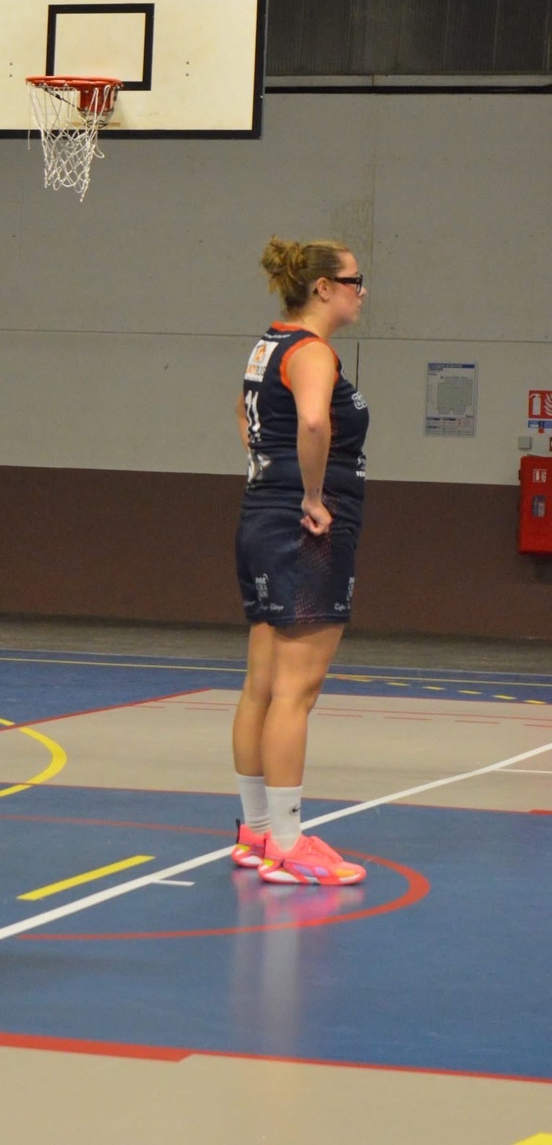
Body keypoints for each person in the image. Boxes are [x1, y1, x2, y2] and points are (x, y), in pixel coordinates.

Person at [230, 236, 369, 886]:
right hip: (304, 530)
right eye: (354, 281)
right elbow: (314, 422)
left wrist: (270, 471)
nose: (361, 292)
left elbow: (244, 414)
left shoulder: (270, 345)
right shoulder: (312, 351)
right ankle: (287, 846)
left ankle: (257, 831)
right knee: (296, 691)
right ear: (323, 288)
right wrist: (310, 495)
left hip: (263, 518)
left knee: (262, 685)